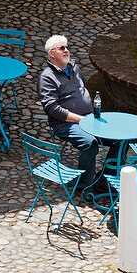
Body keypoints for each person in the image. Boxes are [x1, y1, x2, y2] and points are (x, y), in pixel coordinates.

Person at [37, 34, 98, 189]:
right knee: (90, 143)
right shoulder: (47, 77)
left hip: (89, 119)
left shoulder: (75, 68)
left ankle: (104, 180)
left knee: (120, 139)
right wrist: (80, 119)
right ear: (51, 53)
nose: (66, 50)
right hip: (65, 124)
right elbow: (52, 108)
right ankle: (84, 185)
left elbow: (82, 88)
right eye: (62, 48)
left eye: (67, 47)